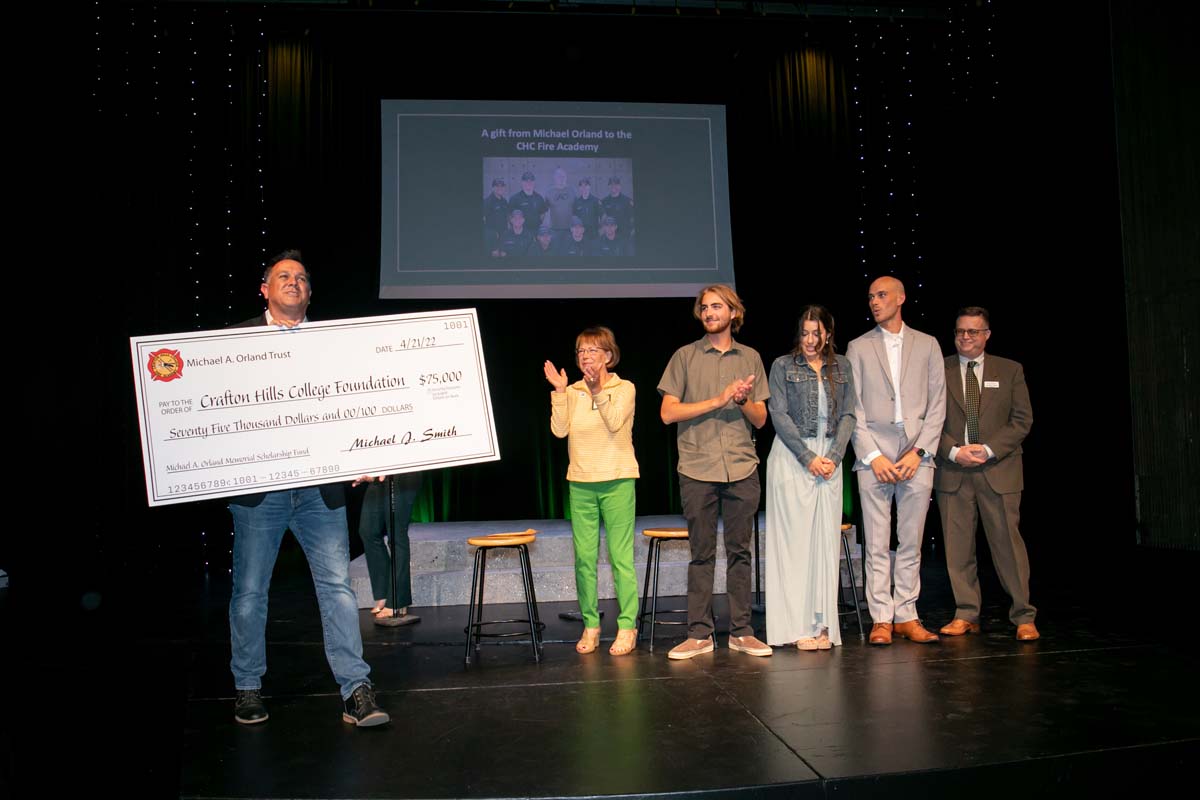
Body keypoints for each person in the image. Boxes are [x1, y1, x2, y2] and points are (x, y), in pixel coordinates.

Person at [226, 249, 389, 726]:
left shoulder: (335, 344)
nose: (292, 282)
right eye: (283, 276)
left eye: (300, 278)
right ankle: (248, 687)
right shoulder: (230, 344)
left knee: (338, 588)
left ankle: (356, 690)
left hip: (321, 493)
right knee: (251, 591)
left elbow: (359, 407)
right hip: (260, 493)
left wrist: (368, 452)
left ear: (310, 292)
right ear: (265, 289)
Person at [658, 284, 772, 659]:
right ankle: (699, 635)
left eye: (716, 306)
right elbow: (668, 412)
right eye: (704, 307)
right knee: (701, 554)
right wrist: (718, 399)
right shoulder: (685, 357)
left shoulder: (751, 357)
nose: (709, 313)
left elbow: (760, 418)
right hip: (697, 466)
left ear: (733, 313)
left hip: (741, 465)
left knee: (740, 552)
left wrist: (741, 402)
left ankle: (741, 631)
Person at [846, 276, 947, 645]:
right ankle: (880, 619)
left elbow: (938, 405)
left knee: (910, 540)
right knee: (874, 542)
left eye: (882, 295)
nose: (875, 301)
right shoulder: (858, 347)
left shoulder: (928, 344)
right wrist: (872, 455)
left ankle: (906, 613)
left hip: (916, 455)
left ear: (901, 298)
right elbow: (852, 408)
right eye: (870, 296)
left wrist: (919, 452)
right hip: (874, 456)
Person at [934, 307, 1038, 640]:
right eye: (960, 331)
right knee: (958, 548)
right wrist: (954, 450)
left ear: (987, 335)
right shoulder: (939, 370)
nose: (965, 337)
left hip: (999, 469)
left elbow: (1022, 421)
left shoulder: (1010, 370)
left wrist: (988, 449)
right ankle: (966, 613)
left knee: (1008, 546)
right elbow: (926, 420)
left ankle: (1023, 615)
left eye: (973, 332)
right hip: (954, 471)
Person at [544, 327, 640, 656]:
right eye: (581, 351)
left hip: (617, 479)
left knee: (620, 557)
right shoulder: (571, 391)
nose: (586, 356)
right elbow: (559, 431)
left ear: (608, 356)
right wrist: (559, 391)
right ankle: (591, 624)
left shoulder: (624, 388)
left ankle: (627, 626)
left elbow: (614, 422)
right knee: (584, 559)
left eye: (593, 351)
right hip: (581, 483)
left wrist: (598, 389)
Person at [765, 306, 856, 651]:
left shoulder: (842, 366)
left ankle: (822, 627)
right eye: (804, 333)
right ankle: (796, 626)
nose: (810, 340)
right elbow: (778, 414)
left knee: (824, 545)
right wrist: (808, 458)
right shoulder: (782, 366)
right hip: (793, 458)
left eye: (816, 333)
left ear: (828, 335)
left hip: (830, 459)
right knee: (795, 545)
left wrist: (832, 458)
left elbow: (849, 414)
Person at [357, 472, 423, 627]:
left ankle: (398, 600)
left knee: (396, 535)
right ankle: (385, 593)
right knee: (368, 531)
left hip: (402, 471)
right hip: (379, 473)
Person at [601, 176, 634, 242]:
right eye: (611, 184)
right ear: (608, 186)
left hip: (624, 236)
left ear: (620, 186)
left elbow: (633, 217)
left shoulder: (627, 201)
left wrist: (631, 230)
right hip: (609, 236)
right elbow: (602, 219)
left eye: (616, 184)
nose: (614, 186)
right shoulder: (604, 201)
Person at [483, 178, 509, 256]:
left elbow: (506, 218)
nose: (499, 188)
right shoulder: (487, 202)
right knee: (495, 256)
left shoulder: (504, 201)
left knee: (503, 255)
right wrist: (491, 234)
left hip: (503, 234)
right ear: (493, 188)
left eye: (502, 186)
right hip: (493, 236)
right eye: (497, 186)